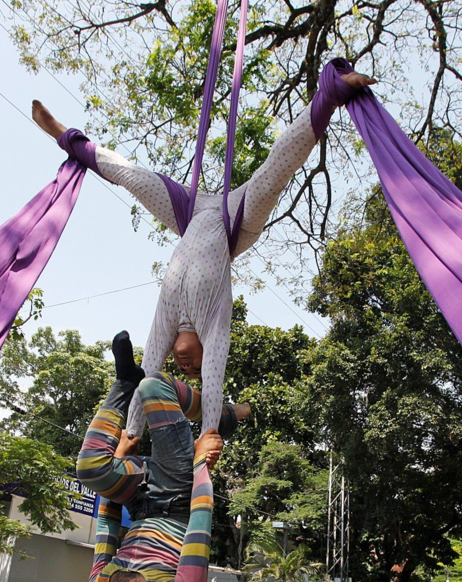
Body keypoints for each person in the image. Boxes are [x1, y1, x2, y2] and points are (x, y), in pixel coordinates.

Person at [32, 69, 375, 440]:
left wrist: (131, 433)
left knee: (131, 176)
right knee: (274, 173)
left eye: (186, 371)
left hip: (189, 214)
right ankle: (331, 95)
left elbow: (147, 375)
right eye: (196, 366)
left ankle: (68, 139)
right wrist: (208, 433)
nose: (188, 366)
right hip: (234, 224)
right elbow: (213, 383)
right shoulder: (214, 326)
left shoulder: (166, 326)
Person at [76, 332, 248, 582]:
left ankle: (124, 382)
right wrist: (199, 464)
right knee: (154, 386)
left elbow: (107, 527)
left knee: (90, 468)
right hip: (178, 491)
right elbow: (200, 524)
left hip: (139, 498)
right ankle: (223, 416)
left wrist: (117, 461)